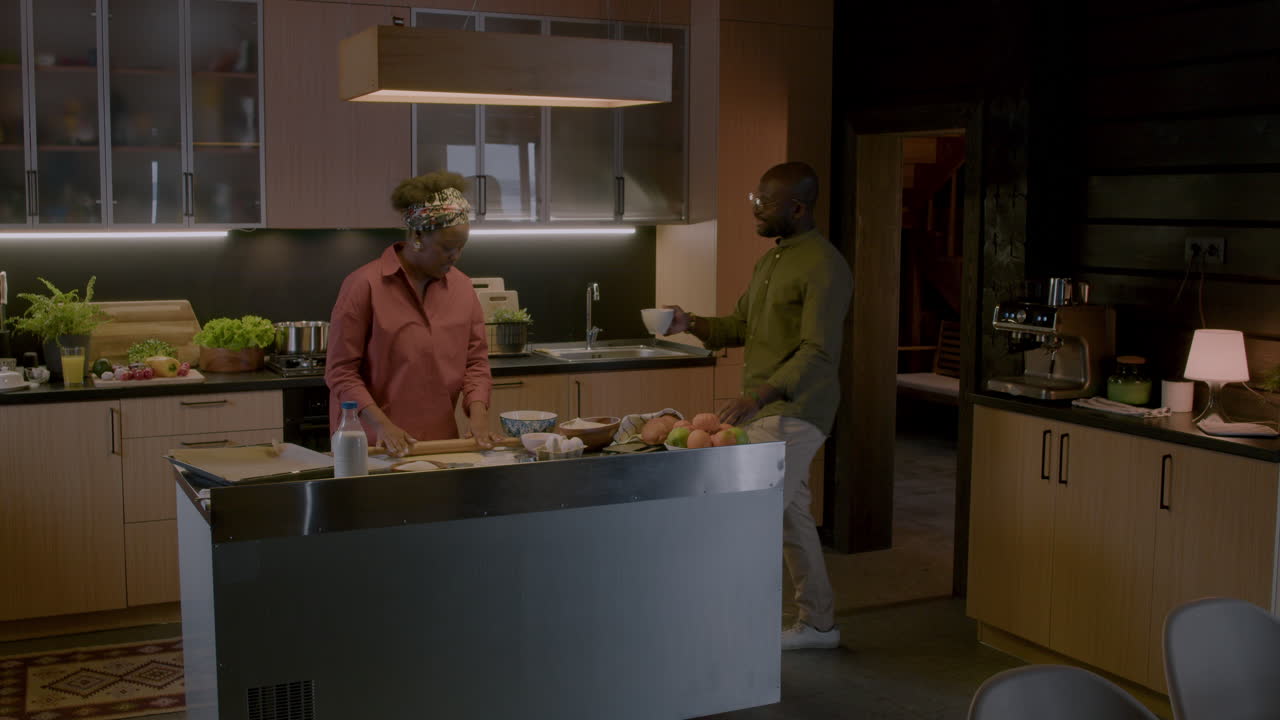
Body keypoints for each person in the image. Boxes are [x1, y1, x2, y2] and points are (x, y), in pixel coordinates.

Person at [664, 161, 852, 650]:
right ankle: (818, 624)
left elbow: (819, 350)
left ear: (797, 207)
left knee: (745, 512)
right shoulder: (771, 260)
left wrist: (760, 394)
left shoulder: (825, 265)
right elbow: (738, 327)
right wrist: (691, 322)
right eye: (756, 199)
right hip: (770, 409)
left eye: (764, 204)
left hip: (796, 410)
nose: (756, 210)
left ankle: (724, 631)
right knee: (791, 517)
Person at [325, 171, 500, 456]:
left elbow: (475, 363)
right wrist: (383, 426)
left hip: (440, 445)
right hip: (372, 447)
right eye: (447, 248)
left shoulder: (463, 288)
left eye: (461, 248)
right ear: (418, 235)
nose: (455, 257)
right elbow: (341, 372)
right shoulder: (363, 285)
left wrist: (478, 417)